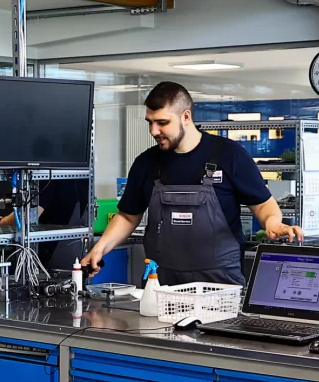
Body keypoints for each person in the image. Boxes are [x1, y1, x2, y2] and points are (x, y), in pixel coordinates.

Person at [79, 82, 301, 286]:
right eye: (150, 122)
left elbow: (263, 204)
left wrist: (272, 222)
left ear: (185, 116)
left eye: (162, 122)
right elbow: (128, 216)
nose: (154, 131)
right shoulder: (146, 163)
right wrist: (100, 248)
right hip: (161, 283)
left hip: (219, 285)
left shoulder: (229, 155)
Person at [0, 176, 91, 273]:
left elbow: (30, 214)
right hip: (74, 256)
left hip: (51, 257)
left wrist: (0, 222)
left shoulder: (49, 177)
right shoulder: (83, 176)